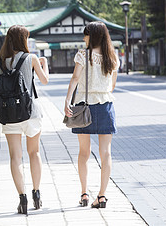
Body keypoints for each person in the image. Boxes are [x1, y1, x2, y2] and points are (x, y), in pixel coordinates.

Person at [0, 25, 49, 215]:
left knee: (15, 157)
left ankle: (22, 198)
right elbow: (44, 80)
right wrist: (44, 64)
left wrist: (3, 78)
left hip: (10, 114)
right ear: (24, 40)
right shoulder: (31, 58)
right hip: (31, 113)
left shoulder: (1, 62)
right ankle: (36, 193)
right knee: (34, 153)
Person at [64, 21, 119, 209]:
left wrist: (67, 101)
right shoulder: (112, 57)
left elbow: (75, 79)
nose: (83, 38)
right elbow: (112, 86)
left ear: (92, 36)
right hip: (105, 107)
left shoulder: (82, 55)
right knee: (106, 153)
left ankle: (84, 193)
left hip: (83, 108)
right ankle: (102, 196)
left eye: (86, 34)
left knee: (84, 152)